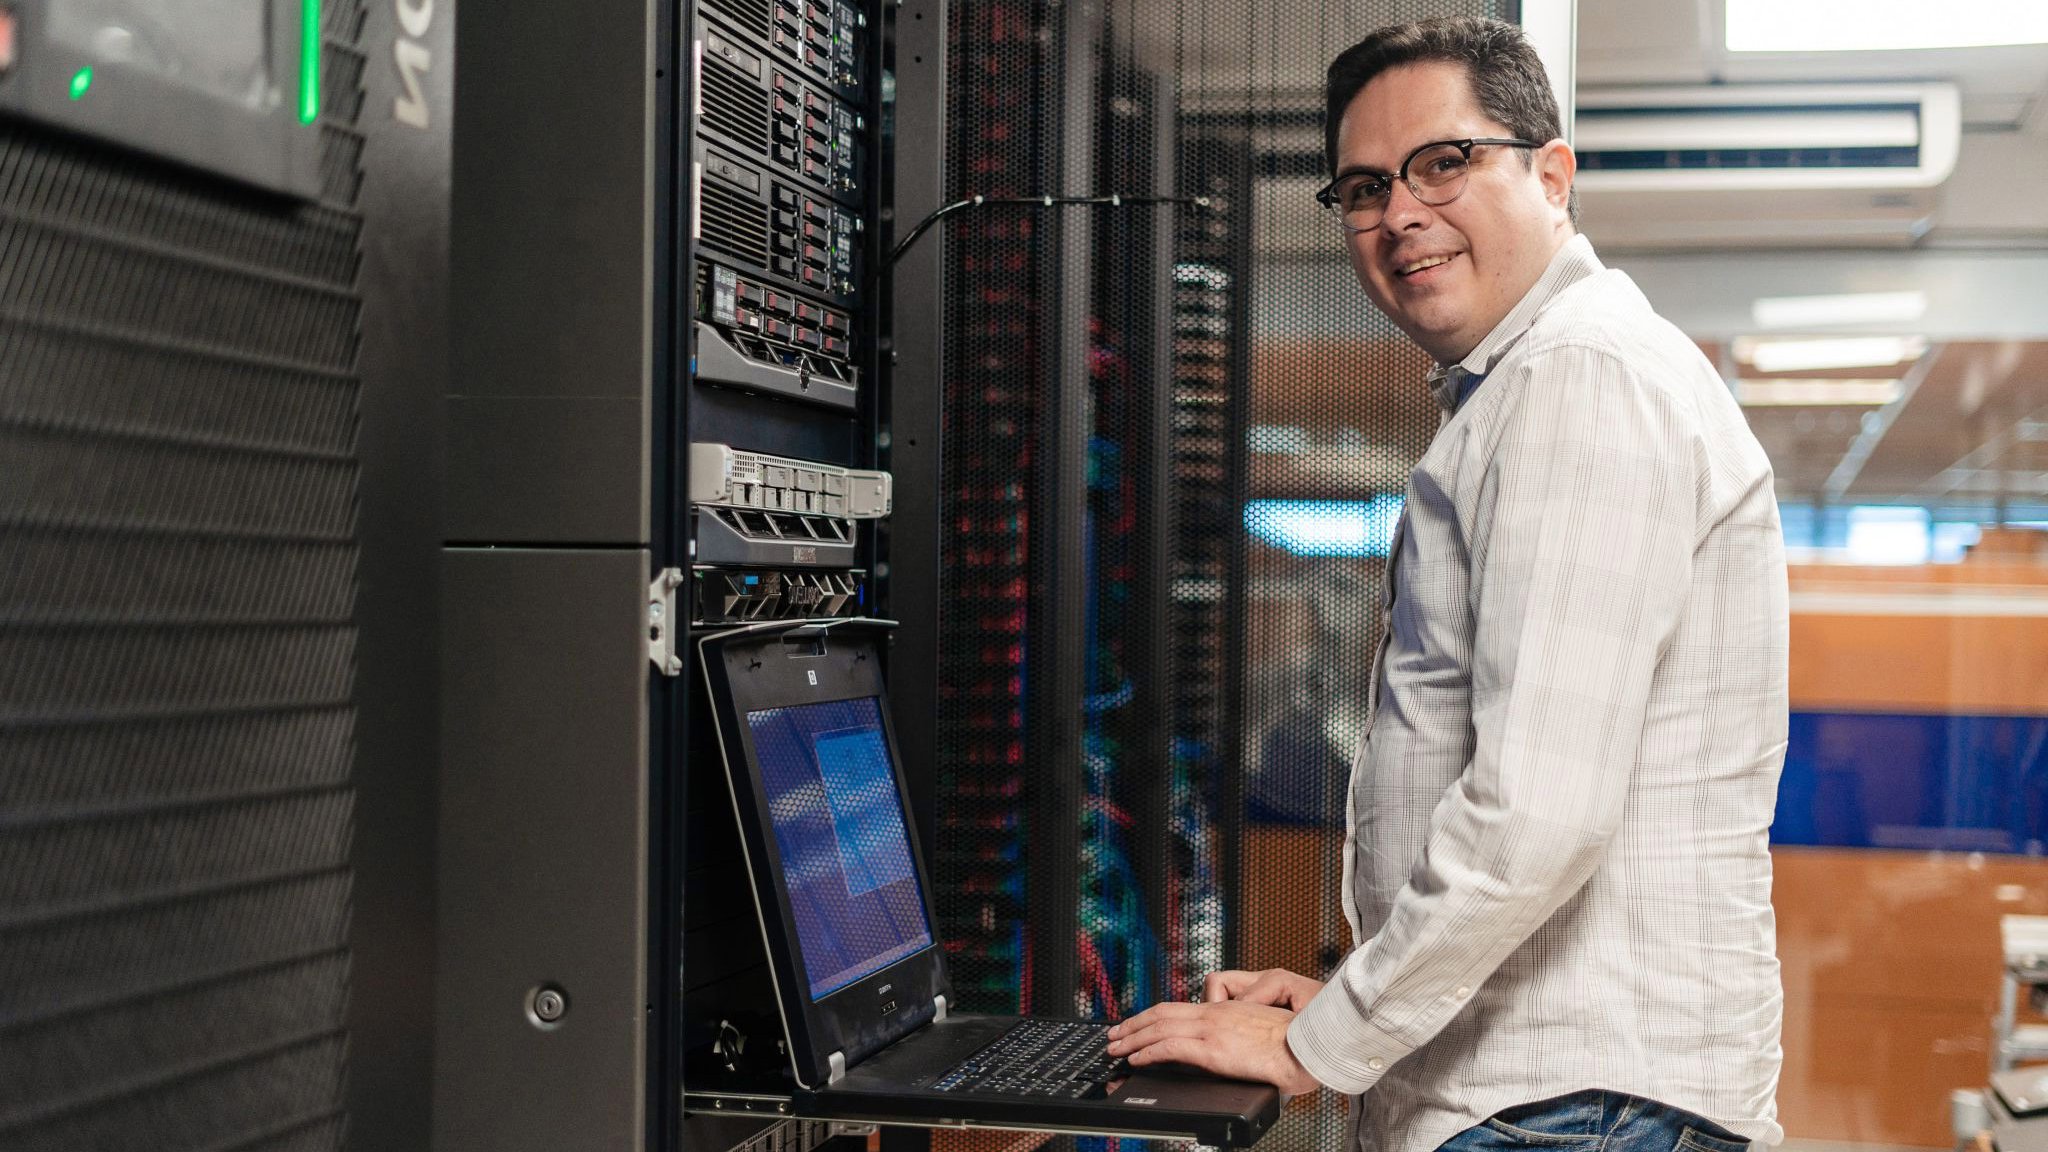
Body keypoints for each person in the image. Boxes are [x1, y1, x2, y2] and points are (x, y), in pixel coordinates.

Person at [1106, 16, 1787, 1152]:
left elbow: (1536, 813)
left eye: (1443, 162)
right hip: (1548, 1097)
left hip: (1567, 1112)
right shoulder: (1528, 390)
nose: (1399, 213)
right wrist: (1350, 1000)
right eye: (1364, 186)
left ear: (1551, 174)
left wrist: (1314, 1045)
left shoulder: (1578, 385)